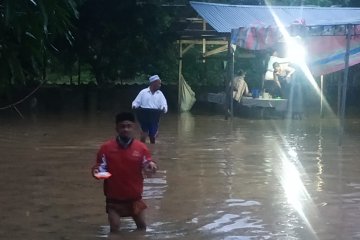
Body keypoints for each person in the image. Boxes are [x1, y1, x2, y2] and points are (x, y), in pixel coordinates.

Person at [91, 112, 158, 233]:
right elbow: (99, 169)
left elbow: (148, 163)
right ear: (116, 128)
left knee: (142, 228)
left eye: (128, 126)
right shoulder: (106, 148)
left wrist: (151, 166)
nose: (125, 129)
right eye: (122, 126)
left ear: (134, 127)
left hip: (135, 198)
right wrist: (97, 172)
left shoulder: (141, 148)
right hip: (114, 200)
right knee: (114, 230)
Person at [132, 74, 168, 144]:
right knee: (143, 134)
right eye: (159, 83)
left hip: (154, 116)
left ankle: (152, 148)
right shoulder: (143, 92)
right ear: (153, 83)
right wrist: (134, 105)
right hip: (144, 115)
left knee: (152, 135)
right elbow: (136, 102)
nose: (160, 85)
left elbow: (164, 104)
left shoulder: (160, 94)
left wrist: (164, 108)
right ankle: (142, 147)